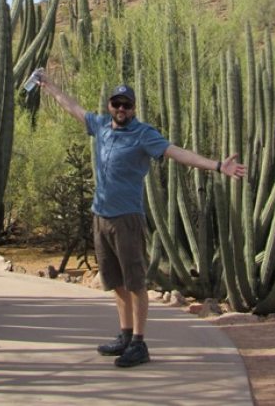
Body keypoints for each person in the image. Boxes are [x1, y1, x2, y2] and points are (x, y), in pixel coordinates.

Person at [36, 74, 246, 368]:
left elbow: (176, 152)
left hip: (127, 219)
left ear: (133, 109)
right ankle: (124, 335)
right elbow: (73, 107)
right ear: (110, 105)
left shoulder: (144, 135)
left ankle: (139, 342)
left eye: (126, 105)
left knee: (135, 283)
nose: (121, 109)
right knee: (116, 282)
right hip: (101, 217)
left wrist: (217, 166)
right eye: (116, 103)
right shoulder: (100, 126)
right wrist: (50, 86)